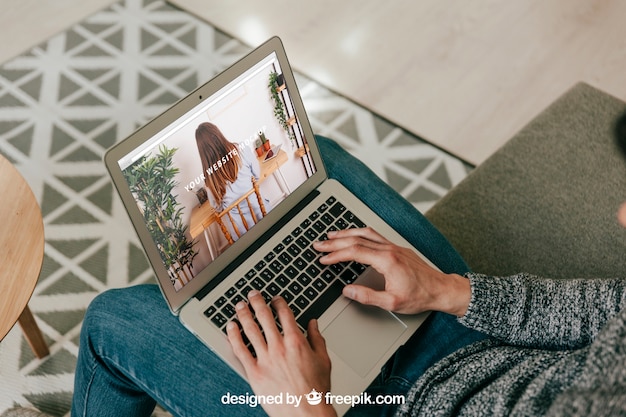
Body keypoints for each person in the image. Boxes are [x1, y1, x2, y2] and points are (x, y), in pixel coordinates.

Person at [71, 132, 626, 417]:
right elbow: (607, 309)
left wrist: (306, 404)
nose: (621, 213)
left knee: (110, 320)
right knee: (314, 165)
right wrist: (448, 291)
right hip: (474, 341)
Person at [195, 122, 270, 241]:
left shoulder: (209, 179)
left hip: (242, 234)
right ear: (218, 134)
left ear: (203, 152)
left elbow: (218, 208)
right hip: (263, 214)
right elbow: (256, 176)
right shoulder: (241, 148)